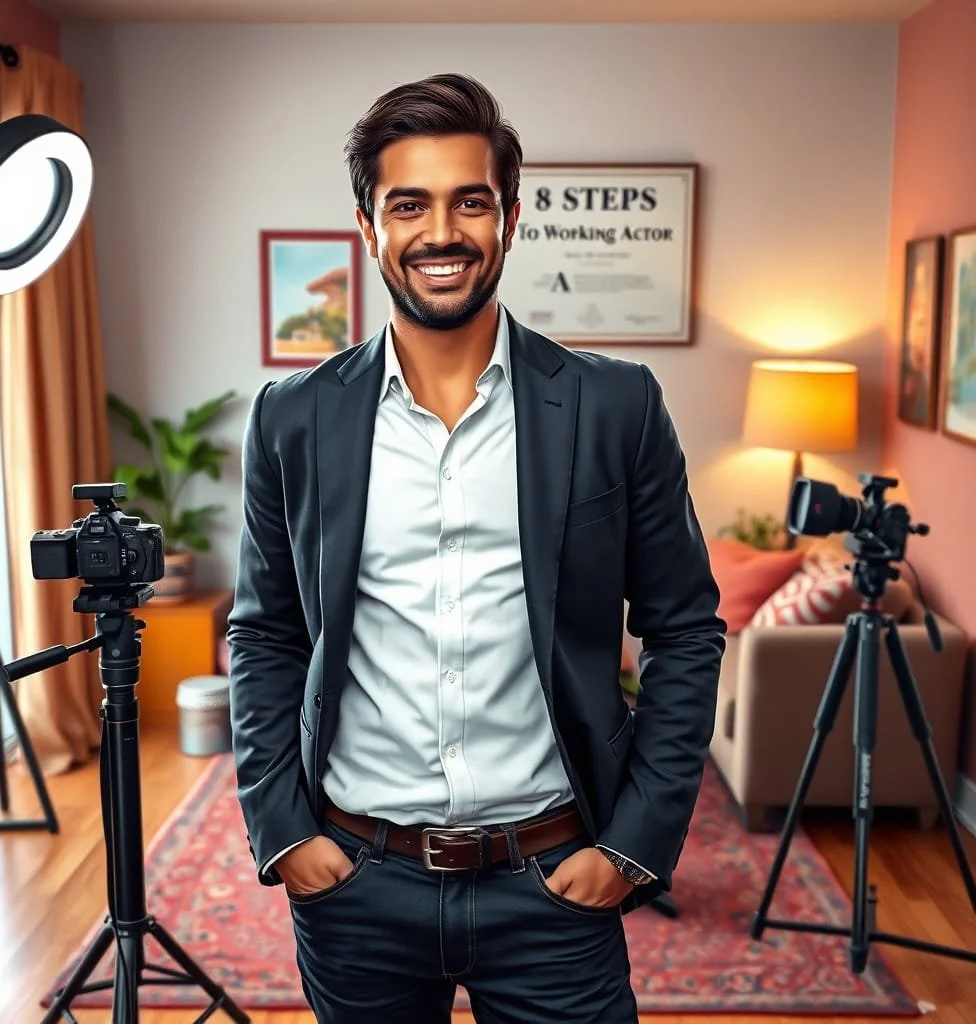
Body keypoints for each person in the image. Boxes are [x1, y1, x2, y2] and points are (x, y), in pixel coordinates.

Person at [228, 72, 726, 1024]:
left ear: (511, 217)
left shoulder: (614, 407)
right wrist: (285, 832)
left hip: (552, 882)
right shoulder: (294, 418)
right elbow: (266, 635)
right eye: (408, 204)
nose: (442, 232)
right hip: (355, 885)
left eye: (470, 201)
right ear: (369, 226)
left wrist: (633, 845)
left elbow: (686, 631)